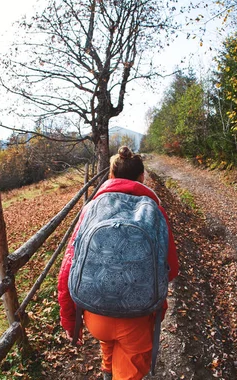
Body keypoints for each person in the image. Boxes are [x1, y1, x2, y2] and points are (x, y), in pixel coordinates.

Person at [57, 146, 179, 380]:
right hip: (137, 316)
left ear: (111, 177)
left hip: (95, 313)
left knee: (109, 342)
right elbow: (171, 268)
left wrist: (70, 321)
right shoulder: (155, 211)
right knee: (129, 370)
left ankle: (106, 371)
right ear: (142, 177)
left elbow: (68, 269)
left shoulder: (91, 209)